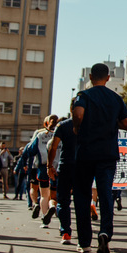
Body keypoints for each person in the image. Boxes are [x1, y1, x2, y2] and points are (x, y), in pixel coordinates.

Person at [71, 63, 127, 253]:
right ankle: (105, 232)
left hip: (86, 152)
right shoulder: (116, 98)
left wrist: (77, 127)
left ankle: (84, 242)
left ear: (90, 77)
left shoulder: (83, 95)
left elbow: (78, 113)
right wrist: (113, 122)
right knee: (105, 194)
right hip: (108, 153)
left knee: (82, 195)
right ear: (108, 78)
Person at [48, 105, 78, 245]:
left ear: (71, 109)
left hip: (65, 165)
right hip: (83, 166)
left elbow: (53, 146)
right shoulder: (90, 124)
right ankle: (84, 238)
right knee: (82, 201)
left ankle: (65, 232)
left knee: (63, 201)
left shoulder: (63, 125)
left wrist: (49, 166)